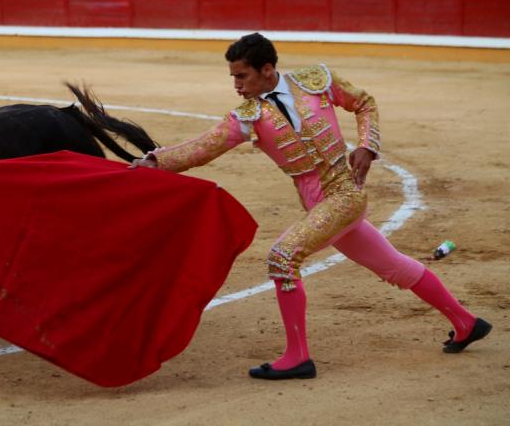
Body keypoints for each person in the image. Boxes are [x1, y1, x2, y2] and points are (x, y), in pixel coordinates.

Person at [131, 33, 492, 380]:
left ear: (267, 69)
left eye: (242, 75)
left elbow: (364, 102)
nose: (236, 85)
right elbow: (204, 146)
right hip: (319, 206)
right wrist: (154, 161)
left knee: (282, 257)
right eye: (233, 77)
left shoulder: (316, 80)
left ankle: (297, 357)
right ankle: (465, 323)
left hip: (344, 196)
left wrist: (367, 145)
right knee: (394, 265)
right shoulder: (247, 115)